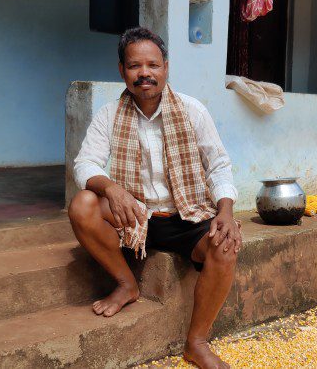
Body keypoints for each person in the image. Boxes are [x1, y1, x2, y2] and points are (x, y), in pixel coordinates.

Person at [69, 27, 240, 369]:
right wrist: (112, 188)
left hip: (189, 217)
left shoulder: (192, 111)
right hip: (137, 218)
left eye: (153, 65)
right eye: (134, 66)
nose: (144, 73)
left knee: (224, 246)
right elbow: (84, 163)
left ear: (165, 67)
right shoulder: (109, 115)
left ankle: (196, 343)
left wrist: (225, 209)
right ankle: (126, 283)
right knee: (83, 204)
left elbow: (218, 165)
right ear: (122, 71)